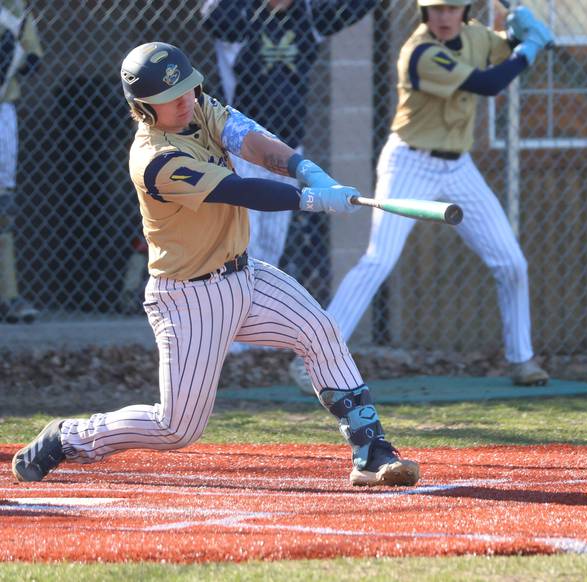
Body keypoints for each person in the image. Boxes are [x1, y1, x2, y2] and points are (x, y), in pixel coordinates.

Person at [11, 42, 419, 489]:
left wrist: (306, 168)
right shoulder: (154, 160)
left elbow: (248, 138)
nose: (185, 99)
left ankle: (372, 450)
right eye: (171, 96)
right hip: (189, 297)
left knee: (319, 330)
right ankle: (69, 437)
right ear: (143, 106)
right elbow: (236, 190)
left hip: (244, 274)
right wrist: (309, 199)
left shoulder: (197, 106)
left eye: (189, 88)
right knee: (177, 428)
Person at [289, 0, 553, 392]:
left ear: (463, 11)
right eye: (435, 10)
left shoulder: (476, 34)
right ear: (424, 14)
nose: (443, 17)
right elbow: (489, 83)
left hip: (459, 166)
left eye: (451, 9)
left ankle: (522, 359)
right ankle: (312, 357)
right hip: (410, 163)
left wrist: (519, 30)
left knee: (511, 262)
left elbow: (499, 47)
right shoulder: (420, 52)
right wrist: (529, 47)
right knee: (378, 260)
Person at [201, 0, 378, 353]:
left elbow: (355, 8)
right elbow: (211, 18)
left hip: (288, 147)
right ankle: (228, 327)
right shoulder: (239, 15)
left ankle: (252, 327)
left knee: (272, 243)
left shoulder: (308, 14)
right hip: (244, 149)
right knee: (243, 238)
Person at [0, 0, 41, 324]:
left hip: (3, 109)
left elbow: (32, 59)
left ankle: (8, 294)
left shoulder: (15, 8)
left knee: (3, 205)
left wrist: (12, 49)